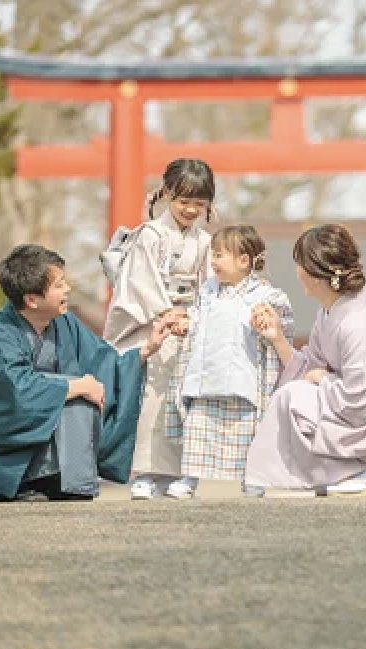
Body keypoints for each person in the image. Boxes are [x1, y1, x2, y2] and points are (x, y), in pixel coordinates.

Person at [0, 244, 173, 503]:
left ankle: (70, 483)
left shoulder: (65, 323)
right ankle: (29, 480)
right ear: (32, 300)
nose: (68, 290)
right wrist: (76, 387)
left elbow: (103, 361)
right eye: (59, 285)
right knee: (72, 388)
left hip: (38, 440)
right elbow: (18, 392)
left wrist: (146, 349)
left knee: (81, 388)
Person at [244, 223, 366, 496]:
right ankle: (350, 473)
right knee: (291, 396)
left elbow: (360, 401)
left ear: (317, 275)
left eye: (300, 265)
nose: (297, 272)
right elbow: (310, 367)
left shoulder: (358, 323)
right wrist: (278, 339)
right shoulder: (330, 313)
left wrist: (324, 379)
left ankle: (362, 472)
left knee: (294, 399)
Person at [103, 158, 214, 500]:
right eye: (184, 201)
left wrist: (192, 318)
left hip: (188, 324)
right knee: (151, 395)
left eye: (199, 203)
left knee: (187, 395)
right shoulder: (149, 235)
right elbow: (140, 281)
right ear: (167, 194)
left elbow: (209, 287)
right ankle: (145, 471)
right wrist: (165, 313)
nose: (191, 210)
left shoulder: (206, 241)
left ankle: (181, 471)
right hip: (151, 323)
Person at [162, 225, 293, 499]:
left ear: (244, 261)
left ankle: (252, 477)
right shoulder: (208, 291)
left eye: (220, 255)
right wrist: (186, 323)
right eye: (213, 255)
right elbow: (197, 317)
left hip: (240, 377)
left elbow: (281, 321)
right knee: (198, 427)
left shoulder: (263, 295)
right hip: (205, 372)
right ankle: (189, 478)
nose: (213, 262)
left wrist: (267, 318)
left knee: (246, 432)